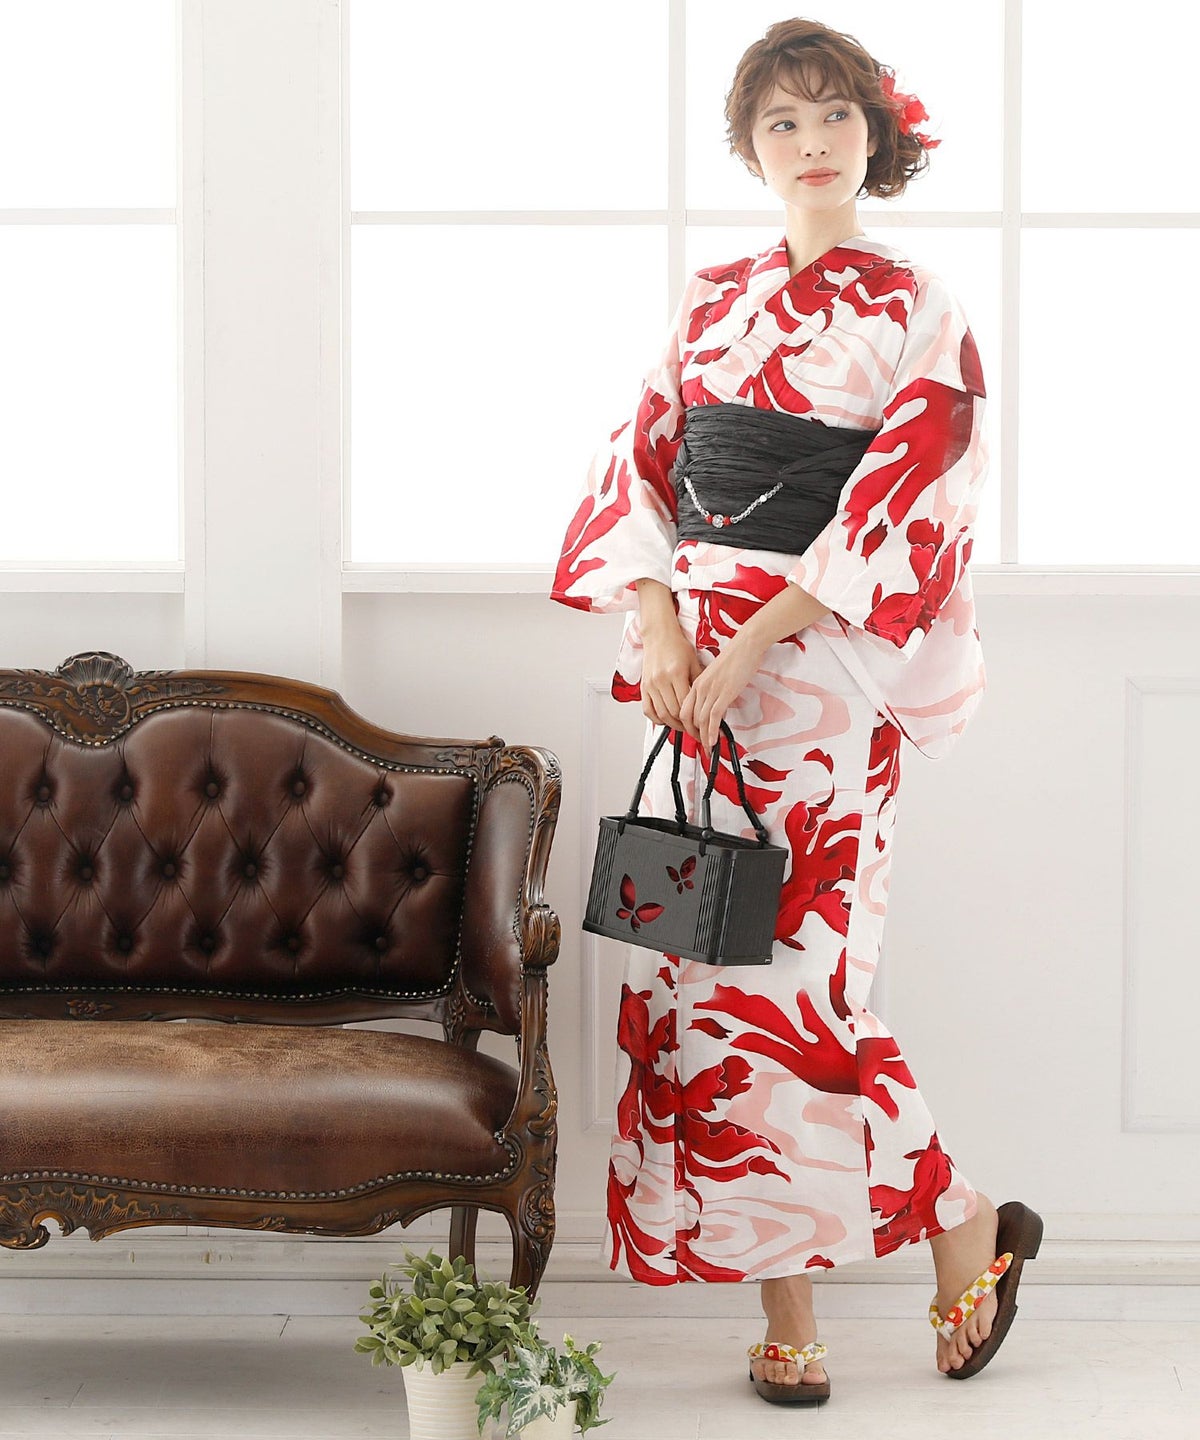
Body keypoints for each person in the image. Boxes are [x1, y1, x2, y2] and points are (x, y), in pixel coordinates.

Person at [550, 17, 1041, 1406]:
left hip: (824, 681)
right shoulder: (711, 299)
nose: (812, 142)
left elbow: (908, 494)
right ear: (749, 147)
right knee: (701, 984)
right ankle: (803, 1304)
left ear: (876, 137)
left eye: (835, 117)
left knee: (803, 995)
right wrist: (659, 624)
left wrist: (753, 638)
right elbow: (637, 468)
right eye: (783, 121)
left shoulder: (918, 304)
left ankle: (960, 1222)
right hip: (691, 676)